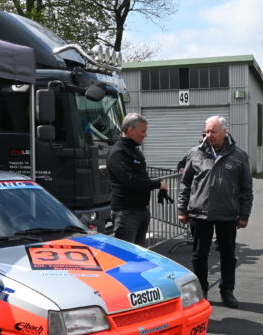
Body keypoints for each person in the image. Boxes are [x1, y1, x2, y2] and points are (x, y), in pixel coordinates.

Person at [177, 116, 253, 308]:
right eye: (207, 131)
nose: (209, 135)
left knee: (228, 254)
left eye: (213, 131)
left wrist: (244, 214)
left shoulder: (239, 155)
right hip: (199, 214)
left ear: (224, 132)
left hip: (227, 214)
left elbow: (246, 188)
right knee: (199, 255)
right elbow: (185, 184)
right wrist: (182, 209)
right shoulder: (195, 153)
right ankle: (201, 290)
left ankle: (227, 291)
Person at [108, 113, 168, 246]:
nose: (145, 135)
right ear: (130, 130)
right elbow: (131, 181)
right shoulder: (118, 153)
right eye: (143, 131)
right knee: (125, 258)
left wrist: (156, 184)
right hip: (126, 213)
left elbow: (141, 178)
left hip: (142, 212)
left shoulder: (136, 152)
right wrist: (157, 184)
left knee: (138, 257)